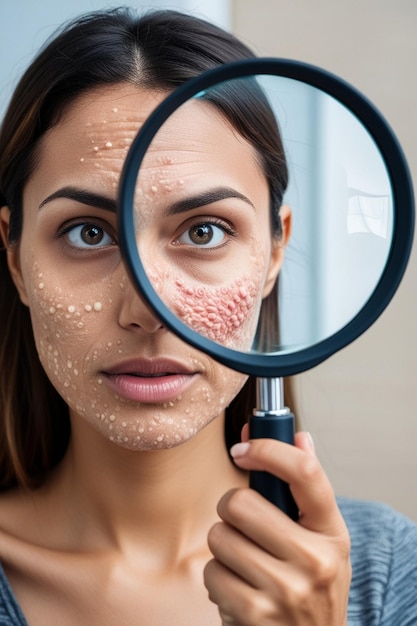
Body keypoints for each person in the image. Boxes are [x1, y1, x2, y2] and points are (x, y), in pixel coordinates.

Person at [0, 7, 416, 626]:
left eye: (203, 230)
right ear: (15, 259)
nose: (146, 309)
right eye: (88, 233)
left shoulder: (388, 576)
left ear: (274, 251)